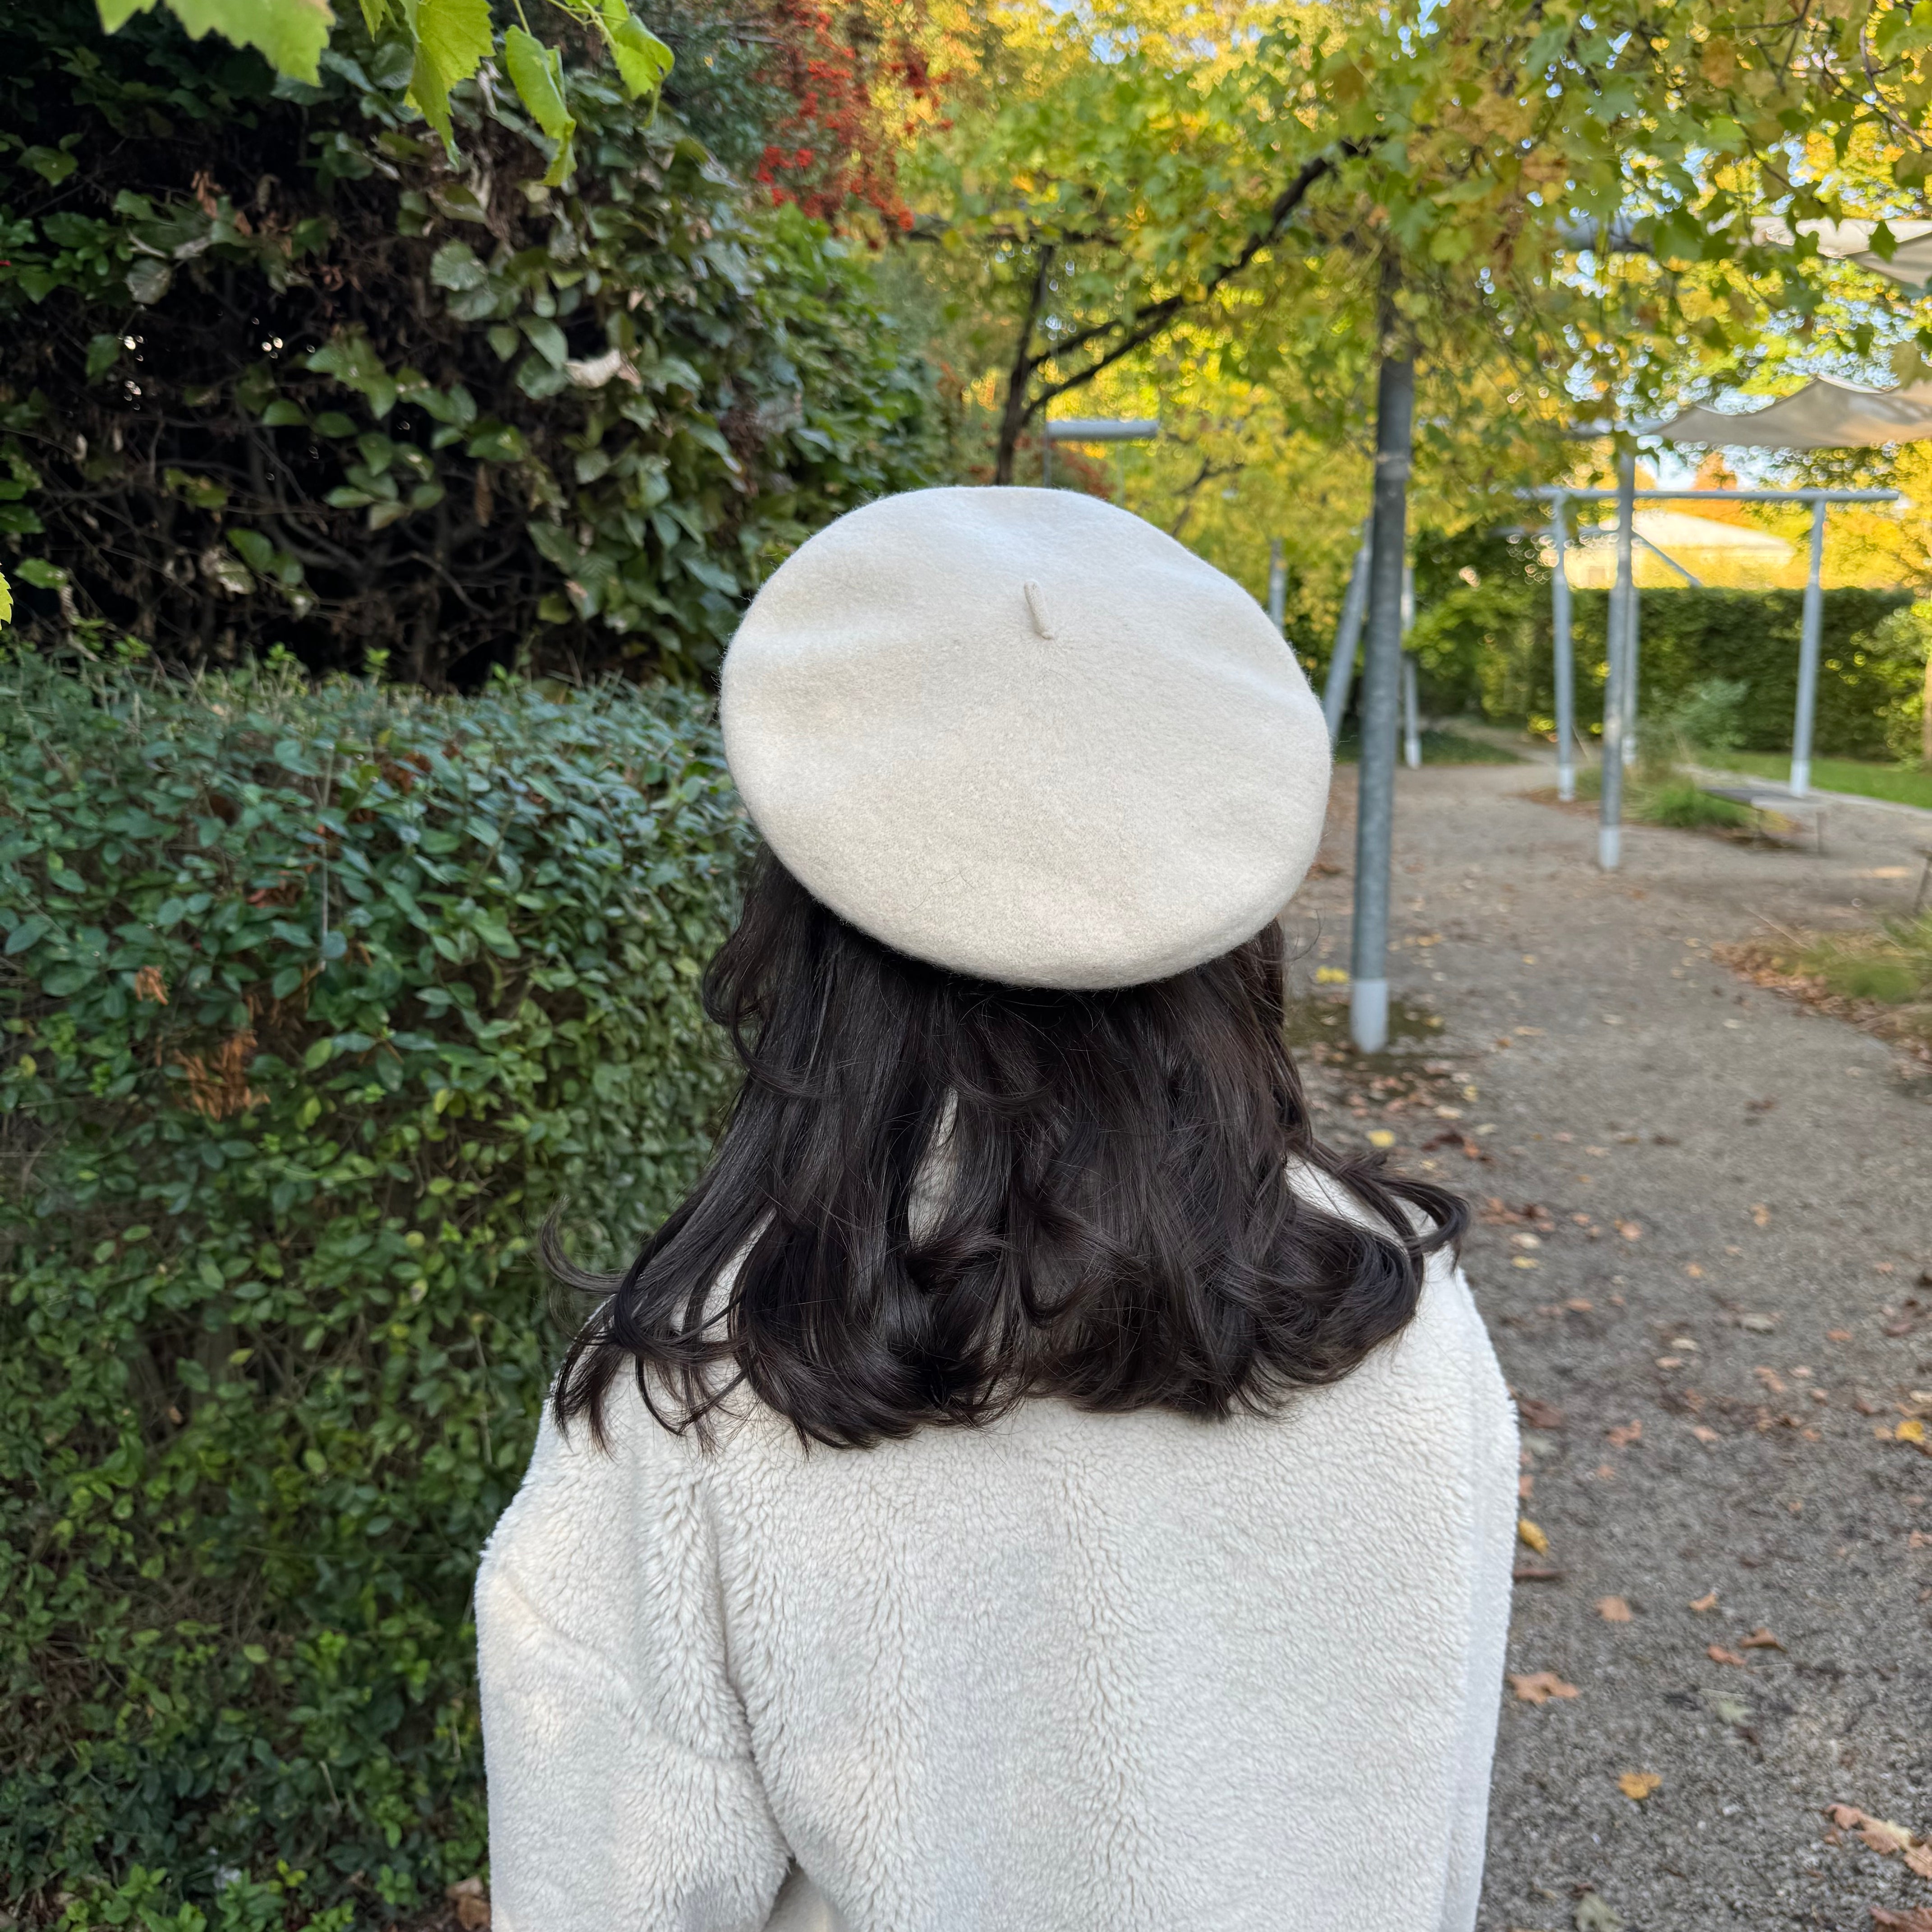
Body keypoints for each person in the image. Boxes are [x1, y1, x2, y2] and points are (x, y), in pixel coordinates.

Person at [475, 487, 1517, 1932]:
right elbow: (1430, 1798)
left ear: (802, 914)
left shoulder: (709, 1390)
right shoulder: (1397, 1314)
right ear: (1224, 910)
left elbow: (606, 1890)